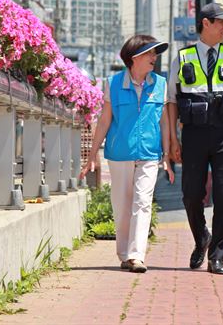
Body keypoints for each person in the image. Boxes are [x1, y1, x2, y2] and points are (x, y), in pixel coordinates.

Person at [168, 2, 223, 275]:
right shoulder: (182, 58)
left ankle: (217, 256)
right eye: (221, 22)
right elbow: (171, 102)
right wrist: (173, 140)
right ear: (205, 23)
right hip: (194, 135)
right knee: (191, 195)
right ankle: (201, 238)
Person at [80, 35, 174, 274]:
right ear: (134, 58)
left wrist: (167, 155)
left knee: (143, 202)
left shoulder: (160, 84)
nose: (154, 58)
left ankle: (136, 255)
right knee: (122, 206)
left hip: (150, 153)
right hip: (120, 152)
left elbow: (164, 122)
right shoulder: (113, 83)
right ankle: (124, 254)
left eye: (155, 54)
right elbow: (104, 121)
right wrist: (92, 154)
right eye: (150, 53)